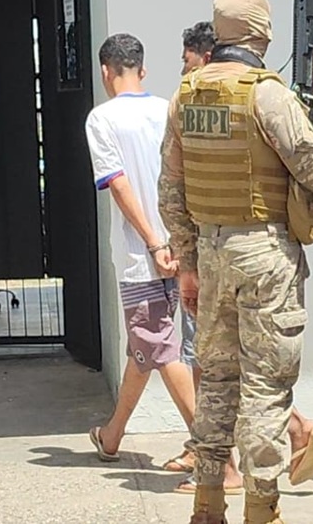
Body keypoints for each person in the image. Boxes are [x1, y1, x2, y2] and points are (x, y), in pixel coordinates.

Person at [160, 0, 313, 524]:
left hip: (211, 253)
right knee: (265, 386)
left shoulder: (185, 95)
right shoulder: (268, 95)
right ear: (262, 32)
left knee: (216, 382)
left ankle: (207, 504)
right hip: (265, 255)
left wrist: (188, 265)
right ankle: (262, 510)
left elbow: (170, 191)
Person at [83, 33, 203, 493]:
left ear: (105, 71)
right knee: (147, 345)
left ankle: (210, 448)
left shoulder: (102, 119)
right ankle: (112, 434)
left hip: (143, 253)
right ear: (143, 69)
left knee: (159, 346)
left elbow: (118, 184)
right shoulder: (169, 108)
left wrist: (153, 242)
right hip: (183, 246)